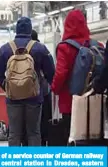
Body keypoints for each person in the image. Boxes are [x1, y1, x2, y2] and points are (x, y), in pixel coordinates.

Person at [0, 17, 55, 146]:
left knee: (14, 133)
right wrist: (42, 88)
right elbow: (51, 72)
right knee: (34, 133)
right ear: (30, 29)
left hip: (13, 98)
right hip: (34, 97)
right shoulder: (40, 48)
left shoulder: (5, 48)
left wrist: (7, 86)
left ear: (16, 30)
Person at [51, 9, 92, 145]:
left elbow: (61, 72)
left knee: (71, 135)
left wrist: (54, 89)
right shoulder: (96, 46)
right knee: (89, 137)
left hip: (70, 101)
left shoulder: (64, 47)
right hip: (92, 101)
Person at [22, 30, 53, 146]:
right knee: (41, 124)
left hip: (23, 93)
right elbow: (51, 71)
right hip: (43, 92)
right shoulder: (42, 49)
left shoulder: (21, 50)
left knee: (26, 125)